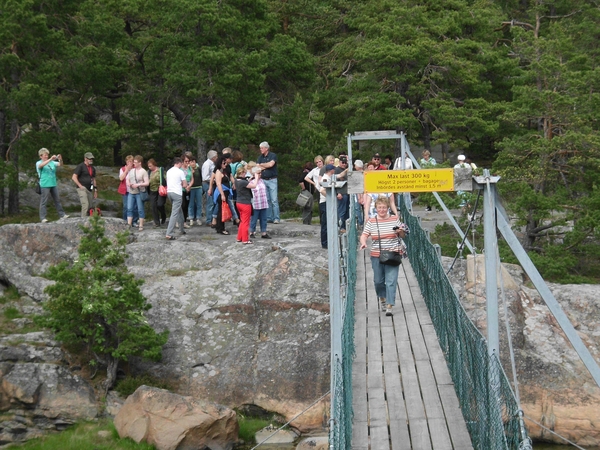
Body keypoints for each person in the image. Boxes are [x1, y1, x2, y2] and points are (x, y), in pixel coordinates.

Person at [359, 196, 409, 317]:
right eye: (379, 208)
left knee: (391, 281)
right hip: (377, 255)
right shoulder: (371, 221)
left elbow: (402, 235)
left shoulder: (394, 219)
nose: (382, 210)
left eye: (384, 207)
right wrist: (363, 242)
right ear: (376, 208)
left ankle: (389, 305)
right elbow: (364, 235)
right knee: (378, 281)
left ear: (388, 208)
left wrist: (400, 231)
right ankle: (382, 298)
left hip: (393, 254)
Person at [36, 148, 68, 223]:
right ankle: (43, 217)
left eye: (47, 155)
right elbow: (40, 166)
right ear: (41, 156)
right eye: (45, 155)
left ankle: (62, 214)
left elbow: (60, 164)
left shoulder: (52, 163)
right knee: (44, 201)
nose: (46, 156)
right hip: (44, 184)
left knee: (57, 199)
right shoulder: (39, 162)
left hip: (53, 183)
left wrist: (60, 159)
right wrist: (50, 159)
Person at [165, 157, 188, 240]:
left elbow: (167, 181)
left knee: (179, 211)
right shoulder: (180, 172)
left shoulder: (168, 171)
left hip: (169, 192)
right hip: (177, 193)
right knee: (174, 213)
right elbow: (185, 184)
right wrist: (183, 184)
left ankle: (181, 229)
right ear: (179, 163)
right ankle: (169, 233)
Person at [256, 141, 280, 224]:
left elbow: (271, 165)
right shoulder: (260, 157)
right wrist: (264, 165)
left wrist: (262, 165)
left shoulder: (273, 155)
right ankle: (269, 217)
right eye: (260, 148)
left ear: (266, 148)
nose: (261, 150)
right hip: (263, 180)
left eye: (262, 148)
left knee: (274, 200)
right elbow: (257, 167)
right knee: (267, 200)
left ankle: (276, 217)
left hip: (272, 180)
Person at [126, 155, 149, 231]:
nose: (134, 164)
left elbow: (147, 183)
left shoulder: (143, 171)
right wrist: (129, 183)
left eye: (135, 162)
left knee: (140, 209)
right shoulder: (132, 170)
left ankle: (141, 225)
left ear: (140, 163)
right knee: (129, 208)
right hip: (131, 192)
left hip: (139, 192)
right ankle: (129, 224)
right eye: (134, 162)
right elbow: (127, 179)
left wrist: (138, 184)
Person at [212, 155, 233, 235]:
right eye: (224, 163)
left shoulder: (224, 171)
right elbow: (218, 183)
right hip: (221, 192)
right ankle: (221, 228)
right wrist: (222, 194)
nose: (225, 164)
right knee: (221, 211)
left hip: (226, 191)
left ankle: (219, 227)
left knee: (221, 210)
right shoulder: (218, 172)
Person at [248, 166, 271, 239]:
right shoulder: (251, 182)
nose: (260, 174)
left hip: (263, 202)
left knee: (264, 218)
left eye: (260, 173)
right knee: (254, 219)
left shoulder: (262, 181)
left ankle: (263, 232)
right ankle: (251, 232)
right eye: (258, 173)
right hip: (256, 203)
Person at [317, 164, 337, 249]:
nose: (335, 171)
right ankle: (324, 243)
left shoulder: (329, 177)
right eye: (333, 169)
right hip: (324, 203)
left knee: (327, 223)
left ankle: (327, 241)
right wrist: (330, 198)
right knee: (325, 224)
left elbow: (339, 175)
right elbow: (322, 190)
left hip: (325, 203)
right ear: (331, 170)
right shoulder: (325, 178)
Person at [72, 152, 97, 217]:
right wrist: (80, 185)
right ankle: (83, 220)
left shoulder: (92, 168)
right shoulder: (80, 166)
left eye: (92, 159)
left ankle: (90, 220)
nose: (91, 160)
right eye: (89, 159)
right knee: (85, 204)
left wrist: (95, 190)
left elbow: (93, 179)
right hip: (82, 188)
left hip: (90, 189)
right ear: (85, 158)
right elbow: (74, 177)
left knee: (90, 205)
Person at [234, 165, 253, 244]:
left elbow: (245, 183)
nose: (245, 174)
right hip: (245, 203)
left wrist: (249, 179)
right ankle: (245, 239)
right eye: (244, 173)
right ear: (241, 173)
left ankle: (239, 237)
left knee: (242, 221)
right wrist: (257, 178)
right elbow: (253, 186)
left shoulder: (236, 180)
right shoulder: (243, 182)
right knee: (246, 222)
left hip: (238, 202)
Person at [147, 158, 167, 228]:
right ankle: (157, 222)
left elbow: (165, 179)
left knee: (160, 204)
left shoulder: (160, 170)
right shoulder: (149, 172)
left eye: (150, 166)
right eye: (148, 166)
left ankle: (163, 215)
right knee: (153, 206)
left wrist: (163, 184)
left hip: (160, 190)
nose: (149, 167)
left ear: (154, 165)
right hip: (152, 190)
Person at [202, 150, 218, 226]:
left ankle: (213, 219)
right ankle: (209, 220)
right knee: (210, 202)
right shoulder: (207, 164)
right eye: (216, 157)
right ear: (213, 157)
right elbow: (205, 177)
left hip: (212, 183)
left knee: (213, 201)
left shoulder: (213, 164)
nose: (217, 158)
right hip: (207, 183)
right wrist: (213, 179)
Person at [335, 156, 350, 230]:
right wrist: (338, 193)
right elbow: (335, 182)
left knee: (347, 211)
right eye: (342, 162)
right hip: (341, 193)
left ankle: (345, 226)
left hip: (347, 193)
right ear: (339, 162)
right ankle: (340, 227)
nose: (344, 164)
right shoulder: (337, 170)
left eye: (345, 163)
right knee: (342, 211)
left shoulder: (347, 170)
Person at [187, 157, 203, 226]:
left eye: (193, 162)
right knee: (191, 203)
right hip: (191, 188)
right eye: (190, 162)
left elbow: (201, 177)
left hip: (198, 187)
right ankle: (191, 218)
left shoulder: (198, 168)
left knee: (199, 203)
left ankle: (198, 218)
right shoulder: (188, 169)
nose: (192, 163)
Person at [353, 159, 365, 226]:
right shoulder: (364, 173)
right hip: (359, 193)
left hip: (361, 193)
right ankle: (362, 222)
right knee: (361, 208)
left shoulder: (360, 174)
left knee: (358, 209)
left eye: (355, 165)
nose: (355, 167)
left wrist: (360, 196)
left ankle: (361, 223)